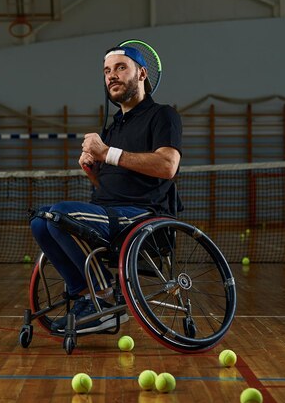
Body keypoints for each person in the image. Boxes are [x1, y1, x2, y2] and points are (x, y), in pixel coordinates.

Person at [30, 45, 182, 334]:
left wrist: (107, 152)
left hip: (142, 216)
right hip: (108, 213)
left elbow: (167, 166)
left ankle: (104, 298)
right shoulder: (113, 128)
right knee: (41, 219)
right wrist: (93, 172)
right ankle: (87, 296)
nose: (112, 76)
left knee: (61, 214)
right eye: (107, 71)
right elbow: (110, 185)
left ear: (142, 73)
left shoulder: (163, 115)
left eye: (121, 68)